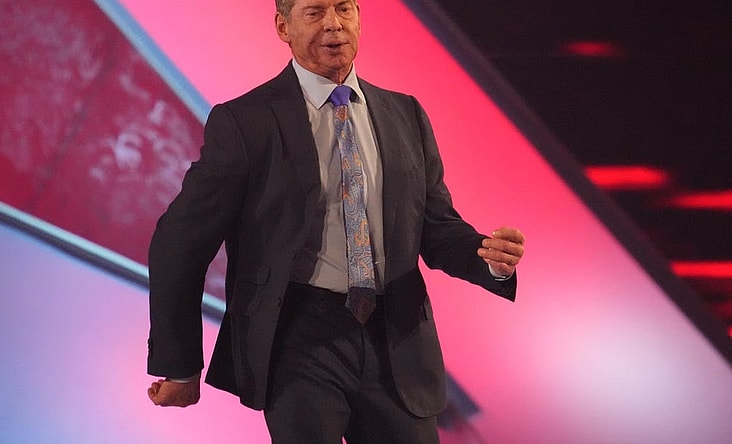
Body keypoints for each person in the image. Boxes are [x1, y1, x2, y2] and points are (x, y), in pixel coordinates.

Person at [146, 0, 525, 442]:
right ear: (283, 27)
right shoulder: (245, 122)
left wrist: (489, 259)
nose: (333, 24)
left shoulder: (406, 115)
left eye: (343, 8)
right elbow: (180, 243)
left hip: (397, 337)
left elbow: (436, 228)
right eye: (314, 12)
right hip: (297, 336)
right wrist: (181, 365)